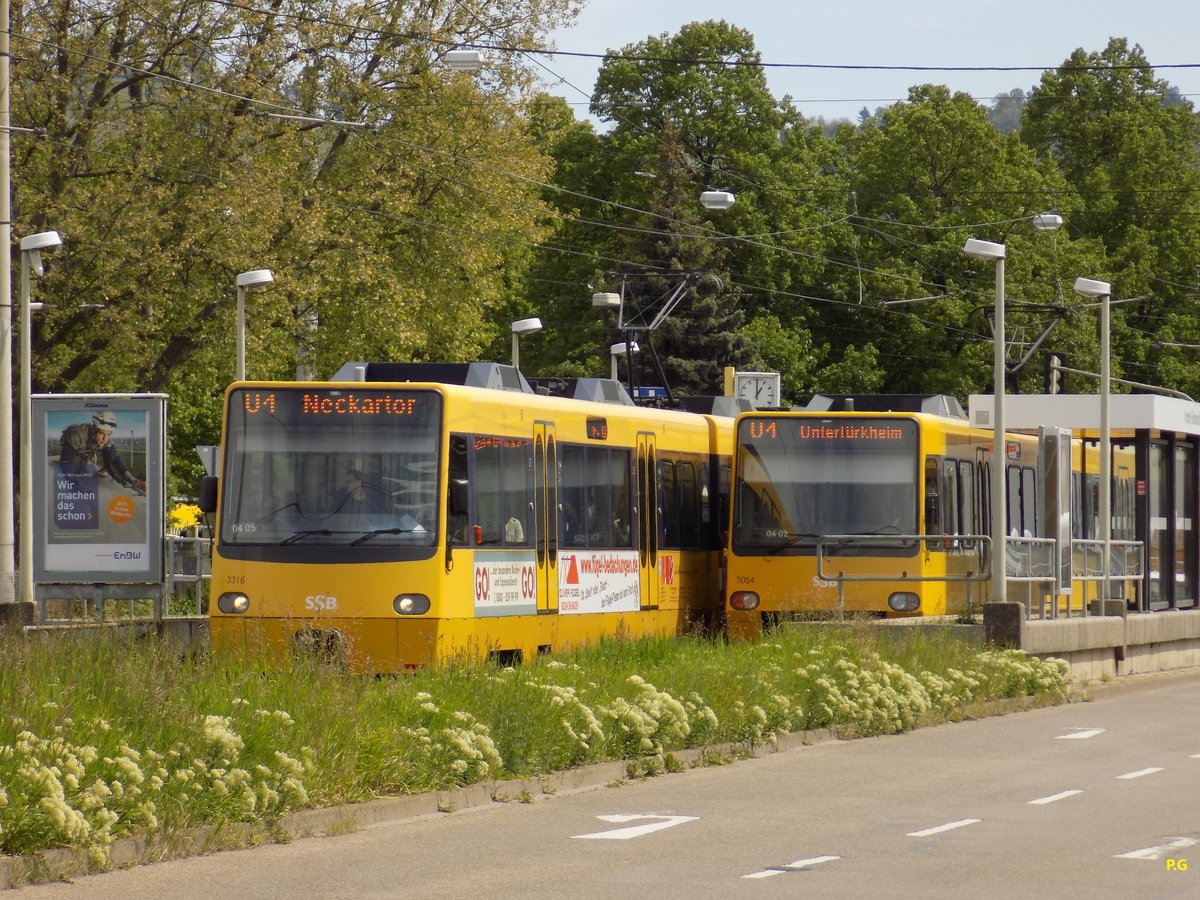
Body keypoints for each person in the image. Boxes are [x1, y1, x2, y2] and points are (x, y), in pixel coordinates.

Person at [59, 411, 144, 490]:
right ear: (93, 429)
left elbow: (115, 457)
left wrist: (127, 475)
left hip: (85, 451)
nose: (105, 439)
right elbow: (65, 462)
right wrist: (76, 486)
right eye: (101, 433)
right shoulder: (76, 434)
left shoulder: (105, 439)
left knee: (84, 471)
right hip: (73, 448)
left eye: (109, 434)